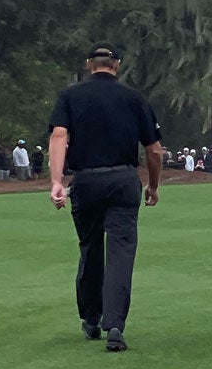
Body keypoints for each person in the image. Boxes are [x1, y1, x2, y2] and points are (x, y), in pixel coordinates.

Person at [47, 42, 163, 352]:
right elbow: (153, 149)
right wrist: (153, 184)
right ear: (117, 65)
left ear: (89, 64)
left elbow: (59, 136)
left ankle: (90, 316)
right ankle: (115, 325)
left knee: (90, 248)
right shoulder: (133, 98)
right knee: (121, 252)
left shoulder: (70, 95)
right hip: (123, 178)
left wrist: (57, 181)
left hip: (86, 179)